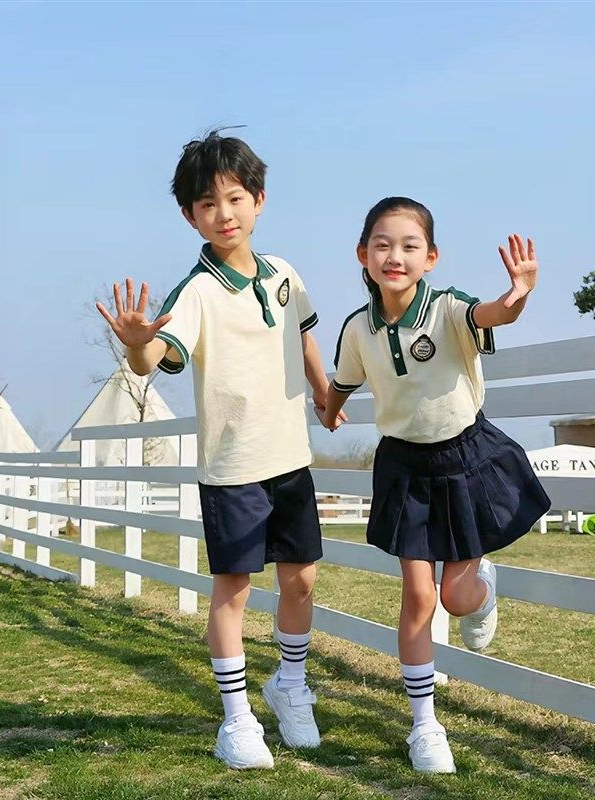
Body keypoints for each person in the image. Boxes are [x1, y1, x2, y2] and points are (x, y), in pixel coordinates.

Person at [96, 129, 344, 770]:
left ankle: (290, 687)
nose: (223, 214)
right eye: (208, 205)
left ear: (259, 200)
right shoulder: (195, 293)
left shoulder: (285, 273)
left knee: (303, 582)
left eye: (234, 198)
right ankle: (236, 719)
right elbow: (156, 358)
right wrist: (134, 341)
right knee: (232, 591)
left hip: (292, 461)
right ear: (190, 216)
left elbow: (307, 339)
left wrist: (327, 396)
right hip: (233, 469)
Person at [322, 197, 550, 773]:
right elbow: (342, 387)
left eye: (408, 246)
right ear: (363, 255)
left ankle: (484, 588)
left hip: (464, 458)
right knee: (419, 596)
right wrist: (328, 410)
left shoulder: (447, 309)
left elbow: (492, 315)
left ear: (430, 258)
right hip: (404, 467)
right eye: (382, 245)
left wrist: (517, 294)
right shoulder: (356, 328)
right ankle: (425, 726)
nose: (394, 256)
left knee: (454, 596)